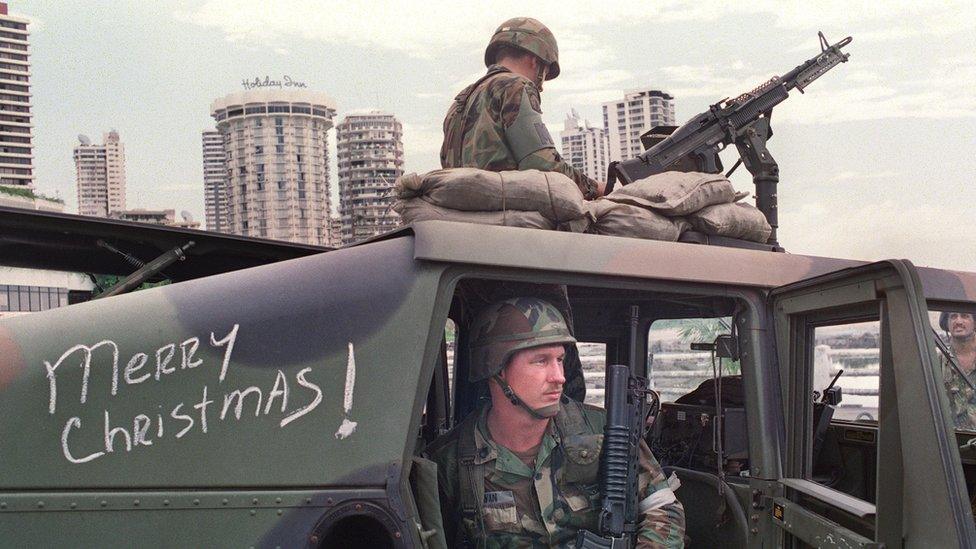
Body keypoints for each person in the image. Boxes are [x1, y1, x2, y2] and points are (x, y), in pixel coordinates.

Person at [426, 297, 685, 547]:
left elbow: (663, 507)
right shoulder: (450, 460)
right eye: (541, 361)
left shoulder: (604, 431)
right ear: (497, 369)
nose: (559, 376)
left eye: (560, 360)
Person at [440, 17, 606, 200]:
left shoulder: (459, 103)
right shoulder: (515, 86)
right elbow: (542, 164)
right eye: (545, 72)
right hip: (507, 216)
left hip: (461, 219)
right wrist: (596, 188)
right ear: (536, 61)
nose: (541, 85)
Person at [940, 311, 976, 429]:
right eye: (953, 317)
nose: (958, 321)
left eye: (965, 316)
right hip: (951, 440)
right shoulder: (937, 362)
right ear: (947, 323)